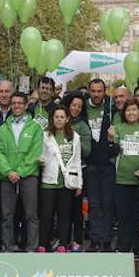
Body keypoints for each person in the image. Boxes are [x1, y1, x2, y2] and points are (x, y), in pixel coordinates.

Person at [0, 92, 43, 252]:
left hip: (28, 176)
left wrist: (20, 172)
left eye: (20, 103)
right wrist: (9, 171)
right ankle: (8, 245)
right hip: (7, 176)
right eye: (14, 103)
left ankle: (32, 246)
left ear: (25, 105)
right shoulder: (3, 128)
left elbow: (35, 153)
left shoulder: (35, 127)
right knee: (7, 215)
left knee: (31, 214)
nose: (16, 106)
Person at [38, 105, 83, 252]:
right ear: (52, 119)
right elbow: (39, 154)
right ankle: (43, 244)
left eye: (62, 117)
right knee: (46, 215)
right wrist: (40, 160)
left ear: (67, 119)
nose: (59, 120)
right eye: (56, 117)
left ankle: (63, 244)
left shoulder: (75, 137)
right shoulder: (45, 136)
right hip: (49, 181)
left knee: (65, 215)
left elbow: (77, 160)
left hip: (67, 182)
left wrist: (79, 183)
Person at [111, 99, 139, 253]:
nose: (131, 113)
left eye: (134, 110)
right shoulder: (118, 128)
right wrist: (110, 139)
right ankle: (123, 247)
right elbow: (113, 152)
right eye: (128, 110)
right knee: (124, 216)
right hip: (122, 179)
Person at [85, 79, 118, 251]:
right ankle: (94, 238)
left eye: (99, 91)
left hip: (107, 164)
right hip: (90, 164)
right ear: (89, 91)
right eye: (93, 91)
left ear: (104, 91)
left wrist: (112, 141)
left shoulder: (112, 109)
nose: (96, 94)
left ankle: (105, 240)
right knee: (94, 204)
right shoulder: (84, 108)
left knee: (107, 204)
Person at [63, 92, 91, 252]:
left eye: (79, 106)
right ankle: (63, 240)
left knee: (77, 210)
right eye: (74, 105)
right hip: (60, 172)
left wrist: (75, 138)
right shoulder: (60, 121)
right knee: (62, 210)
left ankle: (78, 241)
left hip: (78, 173)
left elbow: (87, 151)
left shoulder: (82, 126)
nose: (76, 109)